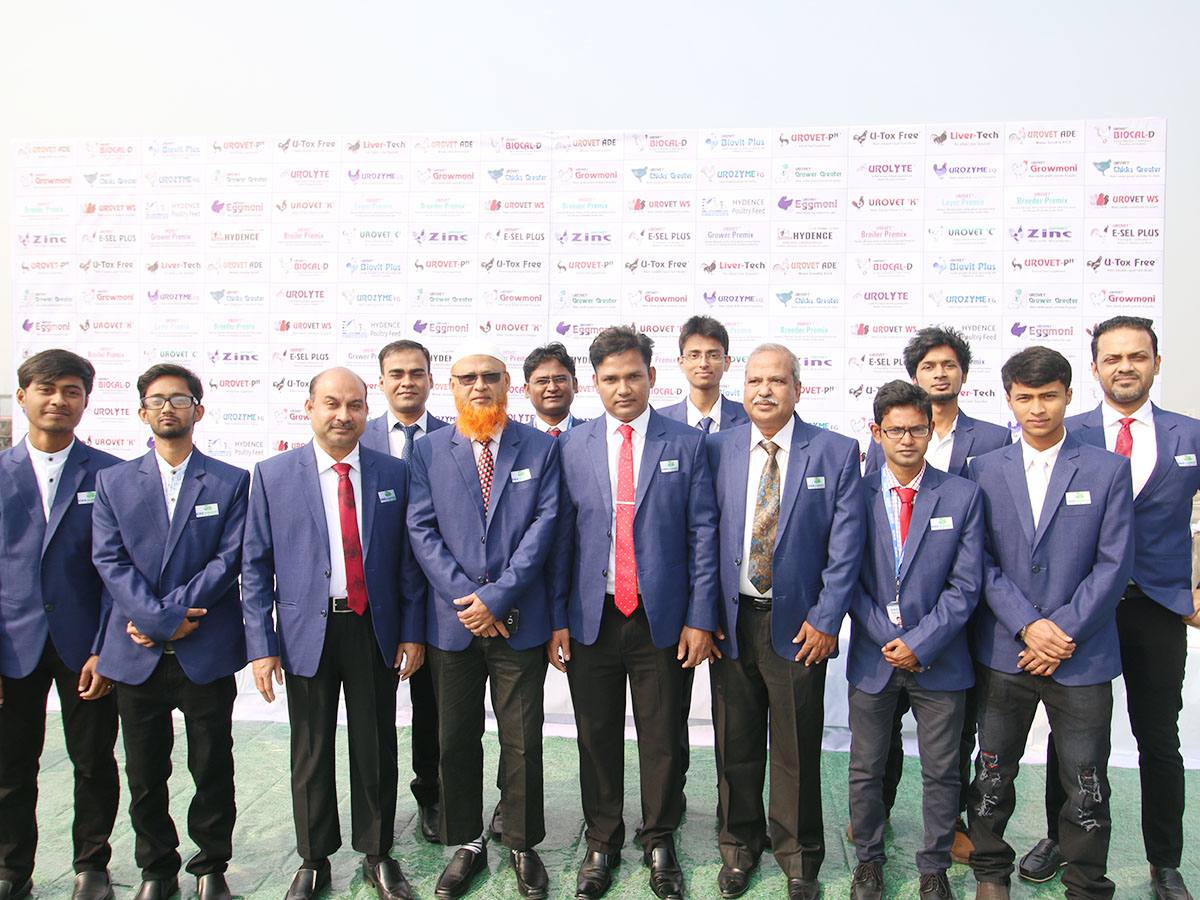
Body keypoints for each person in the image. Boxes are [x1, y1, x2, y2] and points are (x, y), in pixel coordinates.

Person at [1017, 317, 1200, 900]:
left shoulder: (1190, 434)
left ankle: (1164, 861)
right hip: (1079, 609)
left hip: (1156, 607)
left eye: (1137, 356)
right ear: (1094, 368)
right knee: (1069, 736)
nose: (1126, 367)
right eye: (1113, 358)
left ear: (1156, 363)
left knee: (1158, 737)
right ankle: (1058, 838)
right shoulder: (1064, 430)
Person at [241, 368, 426, 900]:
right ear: (310, 408)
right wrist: (262, 646)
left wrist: (412, 631)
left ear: (367, 410)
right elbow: (255, 566)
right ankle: (313, 859)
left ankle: (377, 854)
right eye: (331, 404)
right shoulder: (273, 475)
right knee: (311, 750)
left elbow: (409, 562)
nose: (343, 415)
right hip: (306, 631)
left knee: (376, 746)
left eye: (354, 405)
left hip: (374, 629)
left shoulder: (394, 473)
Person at [552, 325, 719, 900]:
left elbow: (703, 535)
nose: (622, 388)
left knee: (663, 736)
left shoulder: (687, 443)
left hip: (661, 619)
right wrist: (558, 619)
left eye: (632, 376)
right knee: (595, 735)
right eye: (610, 379)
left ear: (652, 375)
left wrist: (700, 618)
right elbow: (561, 540)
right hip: (591, 617)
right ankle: (602, 840)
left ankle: (659, 838)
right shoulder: (571, 445)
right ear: (594, 383)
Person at [965, 347, 1134, 900]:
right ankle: (990, 872)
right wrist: (1026, 625)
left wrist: (1060, 632)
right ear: (1009, 400)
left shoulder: (1108, 469)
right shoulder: (984, 469)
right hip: (1005, 651)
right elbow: (979, 561)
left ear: (1068, 395)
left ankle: (1086, 883)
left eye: (1048, 396)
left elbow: (1114, 564)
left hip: (1082, 655)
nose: (1037, 408)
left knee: (1086, 780)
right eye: (1025, 397)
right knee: (993, 772)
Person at [705, 344, 865, 900]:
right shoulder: (718, 448)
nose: (764, 391)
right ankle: (738, 846)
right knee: (735, 744)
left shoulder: (835, 451)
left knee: (796, 748)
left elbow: (846, 548)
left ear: (799, 388)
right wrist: (704, 614)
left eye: (776, 381)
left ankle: (798, 857)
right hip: (731, 623)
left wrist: (826, 620)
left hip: (800, 629)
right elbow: (702, 534)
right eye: (754, 381)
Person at [407, 339, 560, 900]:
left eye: (490, 376)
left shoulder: (539, 447)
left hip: (519, 620)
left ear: (506, 385)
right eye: (467, 377)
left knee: (522, 740)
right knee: (455, 739)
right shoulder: (428, 451)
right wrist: (471, 600)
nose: (479, 386)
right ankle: (467, 841)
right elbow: (421, 530)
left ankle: (521, 843)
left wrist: (498, 597)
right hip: (453, 625)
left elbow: (545, 525)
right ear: (450, 387)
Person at [92, 364, 249, 900]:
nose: (167, 407)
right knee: (143, 772)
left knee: (212, 765)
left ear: (197, 410)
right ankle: (156, 869)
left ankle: (211, 867)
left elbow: (229, 559)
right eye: (156, 400)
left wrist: (171, 616)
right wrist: (158, 621)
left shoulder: (231, 480)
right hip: (135, 654)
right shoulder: (112, 482)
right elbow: (109, 560)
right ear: (142, 413)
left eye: (179, 399)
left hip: (205, 649)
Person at [861, 325, 1011, 862]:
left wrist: (928, 635)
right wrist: (887, 630)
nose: (940, 373)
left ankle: (948, 834)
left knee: (951, 744)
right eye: (929, 366)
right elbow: (864, 554)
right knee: (875, 748)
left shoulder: (990, 441)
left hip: (953, 626)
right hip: (885, 633)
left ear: (964, 374)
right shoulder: (878, 451)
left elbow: (984, 550)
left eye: (949, 365)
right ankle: (873, 823)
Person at [847, 381, 984, 900]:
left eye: (917, 429)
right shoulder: (855, 493)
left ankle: (934, 867)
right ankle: (869, 861)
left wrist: (921, 642)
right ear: (877, 432)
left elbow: (966, 586)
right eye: (896, 430)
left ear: (931, 430)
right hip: (875, 657)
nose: (907, 439)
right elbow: (845, 577)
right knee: (866, 767)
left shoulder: (962, 495)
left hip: (940, 660)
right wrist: (889, 638)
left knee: (943, 771)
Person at [0, 349, 121, 900]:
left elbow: (119, 572)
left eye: (71, 391)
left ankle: (91, 866)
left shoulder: (112, 474)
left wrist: (105, 649)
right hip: (12, 645)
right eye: (46, 389)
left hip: (86, 647)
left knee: (93, 762)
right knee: (11, 766)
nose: (58, 400)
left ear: (85, 401)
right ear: (22, 396)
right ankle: (11, 869)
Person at [360, 339, 449, 844]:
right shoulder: (357, 437)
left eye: (417, 372)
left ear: (431, 380)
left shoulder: (452, 437)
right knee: (374, 715)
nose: (407, 381)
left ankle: (431, 793)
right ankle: (378, 816)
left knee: (433, 708)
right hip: (374, 601)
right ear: (381, 381)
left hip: (437, 598)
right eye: (396, 373)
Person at [657, 315, 747, 797]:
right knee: (668, 708)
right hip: (674, 587)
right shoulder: (659, 425)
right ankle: (670, 799)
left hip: (734, 583)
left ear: (727, 362)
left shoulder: (750, 420)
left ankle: (733, 810)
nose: (704, 362)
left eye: (713, 354)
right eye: (694, 354)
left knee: (735, 712)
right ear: (680, 362)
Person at [523, 343, 584, 435]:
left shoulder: (595, 436)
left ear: (574, 384)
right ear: (527, 390)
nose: (552, 388)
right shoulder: (515, 438)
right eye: (542, 381)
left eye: (559, 379)